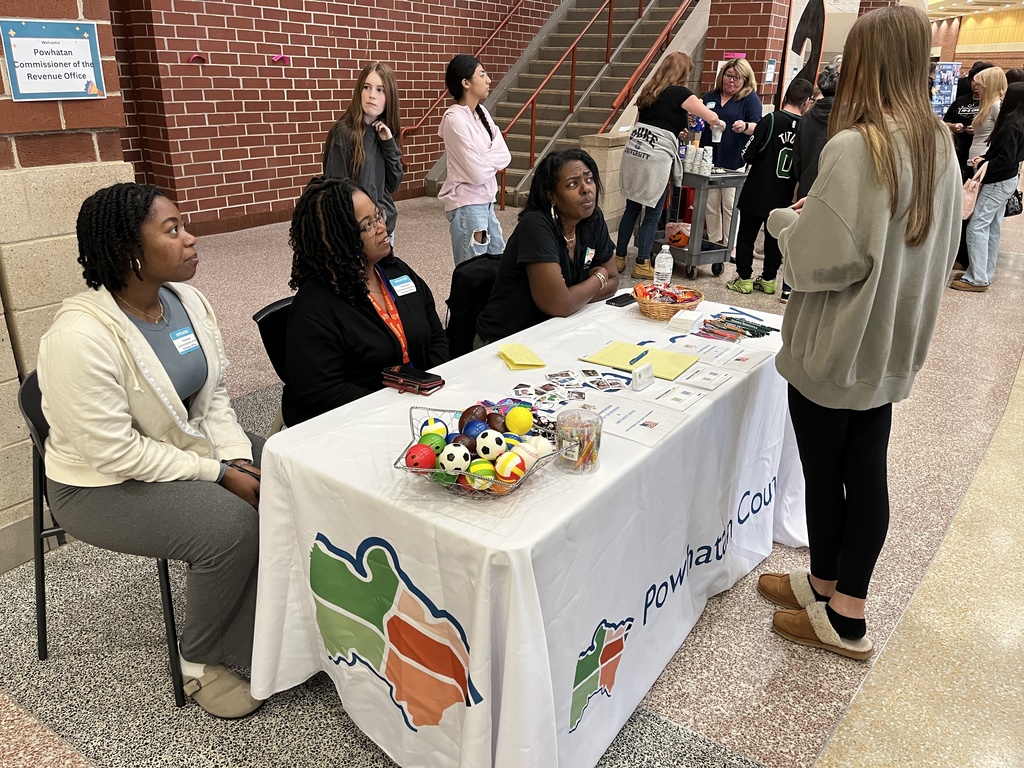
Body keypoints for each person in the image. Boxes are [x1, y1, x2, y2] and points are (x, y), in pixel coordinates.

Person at [758, 5, 961, 660]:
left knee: (826, 472)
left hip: (837, 346)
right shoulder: (939, 145)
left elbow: (825, 260)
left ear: (867, 64)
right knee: (865, 466)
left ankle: (845, 615)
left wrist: (784, 223)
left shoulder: (858, 147)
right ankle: (827, 586)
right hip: (891, 343)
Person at [37, 183, 264, 719]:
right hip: (97, 484)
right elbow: (114, 453)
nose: (191, 238)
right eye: (173, 230)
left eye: (185, 225)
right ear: (126, 250)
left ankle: (273, 622)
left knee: (290, 471)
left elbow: (214, 395)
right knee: (229, 527)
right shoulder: (78, 338)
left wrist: (237, 456)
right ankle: (201, 661)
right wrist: (218, 473)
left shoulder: (183, 300)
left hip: (179, 443)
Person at [282, 177, 449, 425]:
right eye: (368, 225)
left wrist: (431, 384)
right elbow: (325, 393)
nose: (382, 227)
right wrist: (394, 409)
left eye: (378, 215)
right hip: (358, 422)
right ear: (338, 238)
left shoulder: (395, 270)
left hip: (420, 404)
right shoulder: (315, 308)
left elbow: (436, 336)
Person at [475, 148, 619, 345]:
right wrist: (599, 276)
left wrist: (573, 296)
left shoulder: (592, 218)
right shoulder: (536, 225)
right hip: (508, 341)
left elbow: (614, 280)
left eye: (589, 179)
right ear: (551, 196)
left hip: (558, 331)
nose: (586, 189)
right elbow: (560, 304)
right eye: (573, 184)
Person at [614, 52, 722, 280]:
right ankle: (642, 262)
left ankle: (619, 257)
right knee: (653, 213)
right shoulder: (680, 93)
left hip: (636, 151)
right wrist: (719, 122)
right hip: (655, 158)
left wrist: (676, 129)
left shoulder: (648, 92)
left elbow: (648, 123)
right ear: (683, 73)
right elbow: (709, 116)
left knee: (632, 209)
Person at [727, 78, 813, 297]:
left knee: (746, 235)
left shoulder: (772, 119)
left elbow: (749, 152)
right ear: (806, 102)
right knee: (775, 236)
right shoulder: (805, 126)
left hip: (758, 188)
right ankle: (768, 279)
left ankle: (744, 278)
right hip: (785, 192)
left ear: (786, 95)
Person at [438, 54, 512, 266]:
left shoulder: (482, 113)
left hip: (486, 201)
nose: (488, 80)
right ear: (465, 83)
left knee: (497, 260)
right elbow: (476, 173)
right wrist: (490, 162)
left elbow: (505, 154)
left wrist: (484, 160)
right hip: (467, 204)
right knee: (472, 270)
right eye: (482, 74)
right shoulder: (454, 119)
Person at [951, 82, 1024, 292]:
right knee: (991, 227)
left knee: (977, 226)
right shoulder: (1019, 121)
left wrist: (983, 163)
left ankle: (977, 278)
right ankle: (983, 271)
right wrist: (986, 158)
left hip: (997, 180)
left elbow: (1005, 158)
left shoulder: (1010, 123)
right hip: (1008, 179)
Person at [322, 62, 404, 238]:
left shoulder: (384, 131)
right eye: (367, 87)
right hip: (358, 232)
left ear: (390, 96)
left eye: (380, 90)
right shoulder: (343, 133)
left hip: (385, 227)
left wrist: (389, 144)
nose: (372, 95)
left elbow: (394, 184)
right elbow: (336, 192)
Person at [699, 58, 763, 245]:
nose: (731, 81)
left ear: (745, 80)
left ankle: (730, 244)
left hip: (734, 159)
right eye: (728, 75)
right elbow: (698, 121)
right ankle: (714, 240)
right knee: (710, 204)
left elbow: (758, 127)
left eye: (737, 78)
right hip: (710, 157)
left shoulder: (749, 98)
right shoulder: (710, 97)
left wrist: (744, 126)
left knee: (729, 204)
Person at [966, 67, 1007, 165]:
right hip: (977, 158)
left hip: (984, 159)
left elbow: (1004, 134)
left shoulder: (995, 105)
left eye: (979, 85)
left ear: (988, 86)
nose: (976, 88)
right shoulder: (987, 104)